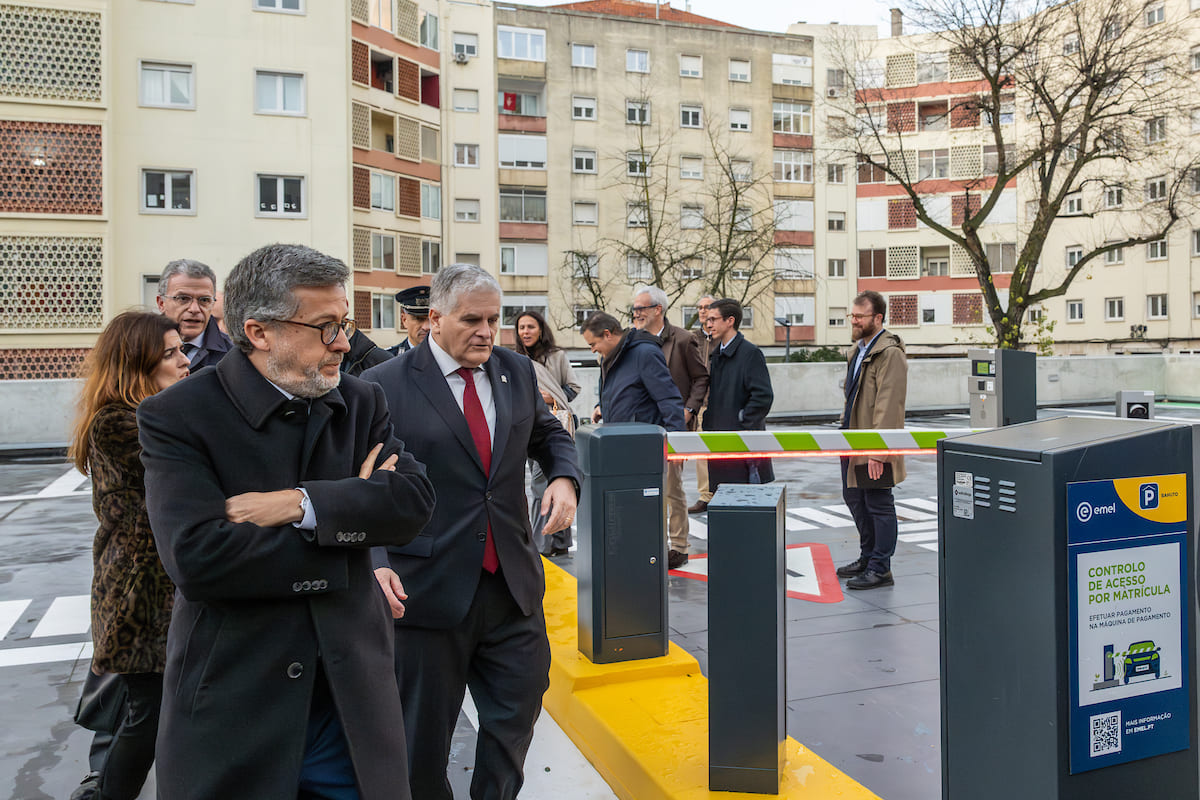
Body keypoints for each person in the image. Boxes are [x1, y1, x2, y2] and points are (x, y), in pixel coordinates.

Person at [137, 244, 436, 800]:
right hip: (237, 705)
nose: (344, 342)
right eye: (325, 327)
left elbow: (413, 504)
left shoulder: (360, 400)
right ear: (258, 331)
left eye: (344, 323)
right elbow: (199, 561)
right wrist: (352, 526)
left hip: (352, 705)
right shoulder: (177, 415)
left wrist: (301, 504)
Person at [363, 264, 580, 800]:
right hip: (425, 591)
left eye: (494, 319)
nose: (487, 331)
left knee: (515, 719)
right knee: (421, 744)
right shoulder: (382, 385)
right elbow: (358, 486)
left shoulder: (517, 372)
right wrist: (375, 560)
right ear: (434, 319)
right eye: (472, 320)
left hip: (511, 589)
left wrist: (564, 478)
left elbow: (550, 435)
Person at [67, 311, 192, 800]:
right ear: (138, 364)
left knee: (156, 711)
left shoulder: (147, 413)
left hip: (153, 589)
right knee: (149, 714)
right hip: (140, 596)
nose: (184, 360)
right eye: (171, 353)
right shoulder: (120, 423)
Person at [835, 290, 908, 590]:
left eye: (860, 316)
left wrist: (879, 451)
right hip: (852, 440)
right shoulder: (858, 350)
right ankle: (867, 557)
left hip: (873, 442)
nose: (854, 321)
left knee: (878, 502)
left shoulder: (889, 352)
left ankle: (881, 567)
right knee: (855, 499)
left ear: (878, 318)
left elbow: (889, 404)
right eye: (852, 315)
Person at [631, 287, 708, 568]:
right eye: (634, 309)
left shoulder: (683, 339)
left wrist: (688, 410)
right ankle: (652, 543)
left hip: (672, 425)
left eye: (640, 308)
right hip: (642, 427)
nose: (635, 314)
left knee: (672, 489)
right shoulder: (633, 341)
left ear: (657, 309)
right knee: (646, 490)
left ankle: (679, 546)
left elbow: (701, 378)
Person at [513, 309, 581, 556]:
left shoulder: (557, 356)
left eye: (530, 327)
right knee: (544, 482)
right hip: (528, 426)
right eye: (521, 328)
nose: (525, 332)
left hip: (557, 425)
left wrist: (550, 397)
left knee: (551, 481)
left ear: (540, 329)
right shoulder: (514, 359)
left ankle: (545, 544)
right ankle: (556, 542)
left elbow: (573, 388)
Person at [702, 298, 774, 490]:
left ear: (730, 321)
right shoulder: (717, 354)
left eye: (713, 319)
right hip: (720, 443)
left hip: (743, 446)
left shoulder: (750, 353)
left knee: (745, 507)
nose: (709, 325)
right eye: (707, 320)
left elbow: (763, 396)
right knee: (723, 505)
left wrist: (741, 421)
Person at [155, 259, 232, 371]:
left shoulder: (233, 357)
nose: (194, 309)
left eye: (204, 300)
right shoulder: (137, 347)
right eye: (183, 298)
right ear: (161, 303)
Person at [689, 294, 717, 514]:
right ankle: (705, 495)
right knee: (701, 454)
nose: (702, 311)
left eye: (707, 307)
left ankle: (722, 492)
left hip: (720, 403)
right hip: (699, 403)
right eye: (699, 307)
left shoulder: (722, 337)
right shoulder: (692, 338)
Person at [385, 285, 431, 356]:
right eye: (419, 319)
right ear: (404, 320)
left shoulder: (451, 357)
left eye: (432, 319)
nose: (426, 327)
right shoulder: (389, 358)